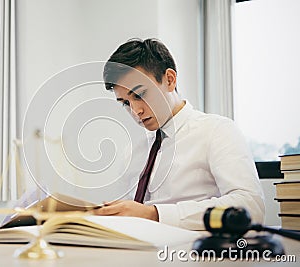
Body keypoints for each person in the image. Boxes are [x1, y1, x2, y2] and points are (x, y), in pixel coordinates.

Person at [93, 38, 265, 230]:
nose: (135, 111)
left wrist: (155, 214)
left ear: (169, 79)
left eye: (139, 95)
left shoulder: (217, 131)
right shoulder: (132, 151)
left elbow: (251, 206)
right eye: (125, 103)